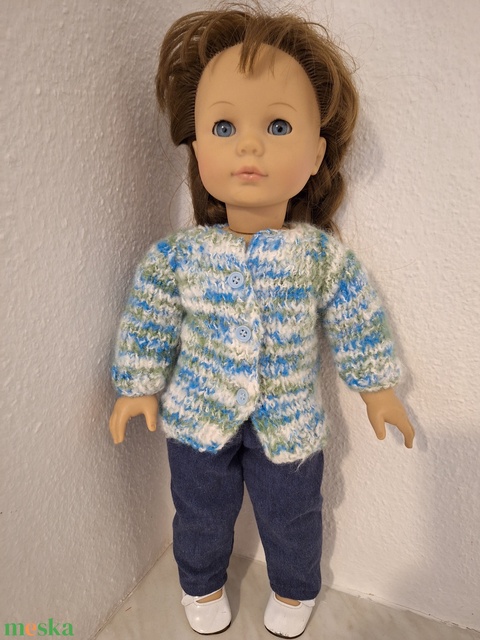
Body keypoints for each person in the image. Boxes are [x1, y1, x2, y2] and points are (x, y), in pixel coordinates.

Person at [109, 6, 415, 637]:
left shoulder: (318, 257)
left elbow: (356, 319)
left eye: (277, 126)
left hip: (290, 420)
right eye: (224, 127)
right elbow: (149, 320)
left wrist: (377, 388)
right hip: (198, 417)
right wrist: (137, 386)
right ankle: (201, 583)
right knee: (200, 510)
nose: (249, 146)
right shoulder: (178, 257)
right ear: (198, 149)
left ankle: (295, 591)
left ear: (316, 153)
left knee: (293, 513)